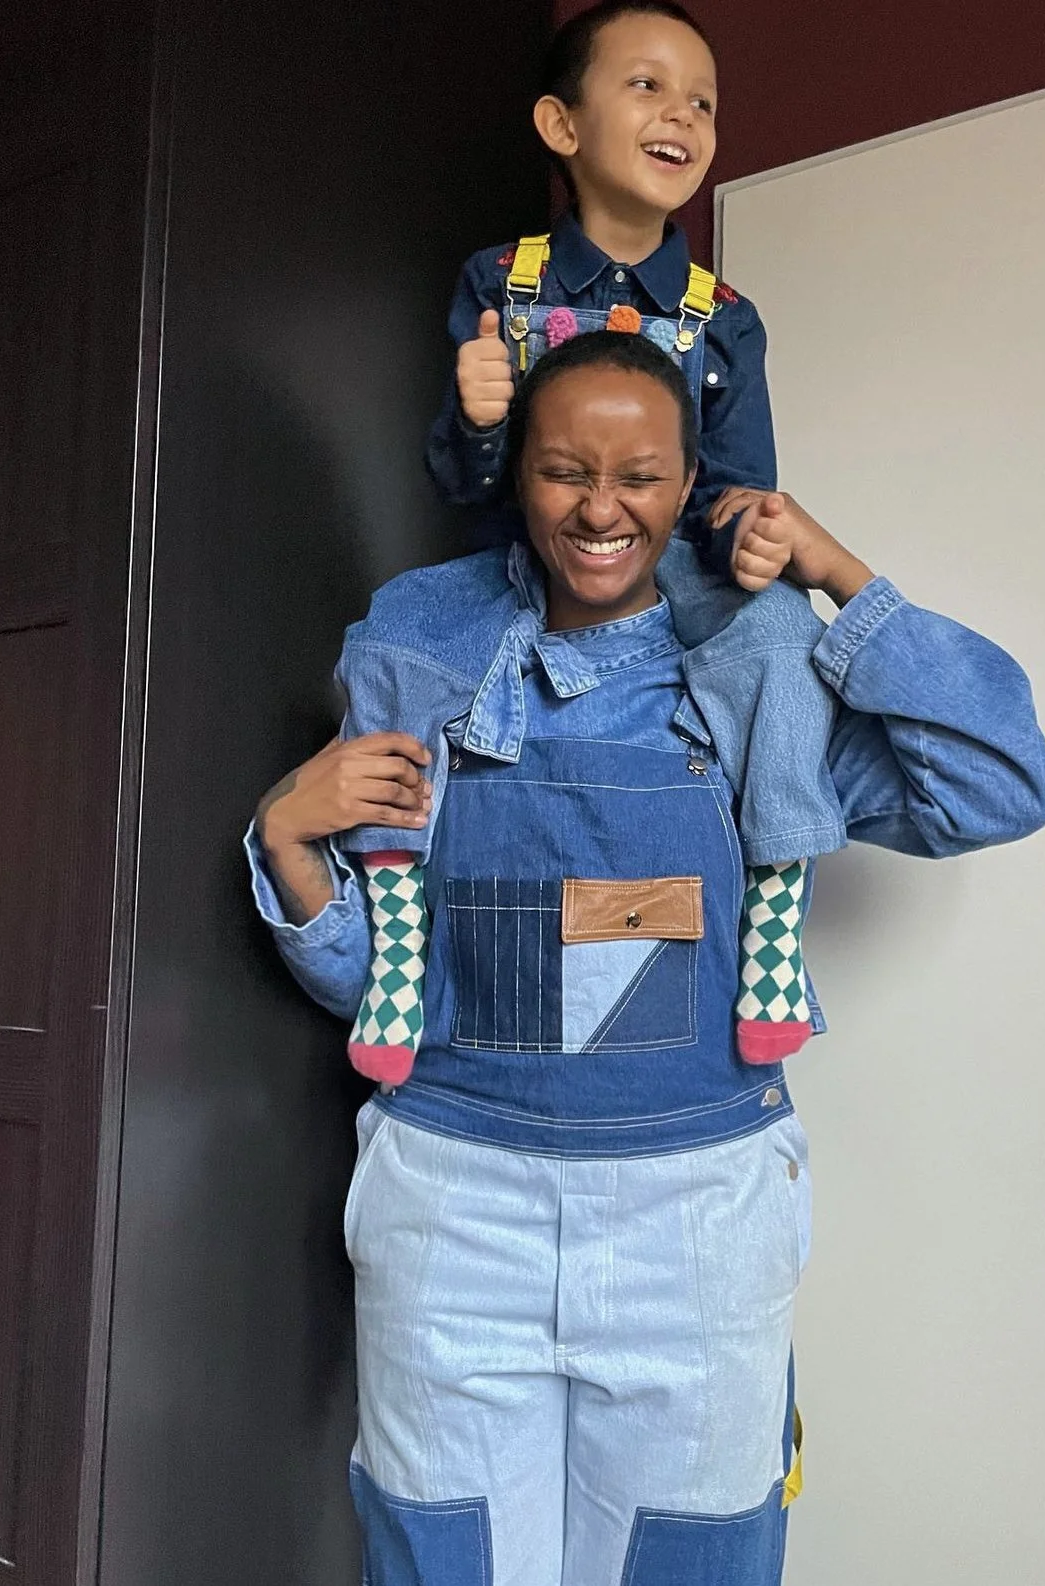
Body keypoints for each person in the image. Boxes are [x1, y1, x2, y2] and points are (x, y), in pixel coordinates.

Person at [248, 331, 1045, 1586]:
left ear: (693, 484)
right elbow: (378, 985)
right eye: (567, 469)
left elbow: (998, 781)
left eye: (641, 474)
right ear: (519, 473)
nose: (602, 507)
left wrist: (840, 573)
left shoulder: (758, 678)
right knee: (440, 1555)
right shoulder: (426, 661)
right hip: (454, 1201)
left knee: (694, 1558)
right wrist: (292, 842)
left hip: (698, 1213)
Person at [353, 0, 847, 1081]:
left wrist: (753, 544)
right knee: (391, 629)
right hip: (522, 561)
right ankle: (397, 922)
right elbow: (462, 483)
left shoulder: (725, 318)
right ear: (560, 123)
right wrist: (481, 419)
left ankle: (776, 905)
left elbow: (733, 489)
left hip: (670, 576)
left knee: (779, 642)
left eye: (703, 99)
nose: (682, 113)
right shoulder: (504, 282)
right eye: (647, 84)